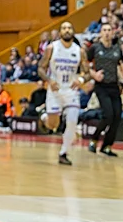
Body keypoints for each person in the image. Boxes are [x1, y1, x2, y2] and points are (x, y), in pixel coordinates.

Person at [38, 20, 89, 165]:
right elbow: (41, 68)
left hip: (71, 91)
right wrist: (49, 80)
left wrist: (80, 79)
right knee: (53, 125)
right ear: (60, 32)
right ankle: (44, 118)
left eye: (69, 28)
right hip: (55, 90)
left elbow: (87, 72)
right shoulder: (51, 48)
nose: (67, 30)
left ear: (73, 31)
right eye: (64, 28)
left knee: (72, 122)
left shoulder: (79, 51)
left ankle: (63, 153)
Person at [87, 22, 123, 156]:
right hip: (101, 86)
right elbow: (84, 65)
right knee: (108, 115)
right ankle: (94, 139)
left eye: (109, 30)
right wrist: (94, 75)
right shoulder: (95, 48)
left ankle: (107, 146)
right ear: (101, 32)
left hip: (114, 86)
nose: (107, 32)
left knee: (117, 117)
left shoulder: (117, 49)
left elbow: (122, 64)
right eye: (105, 30)